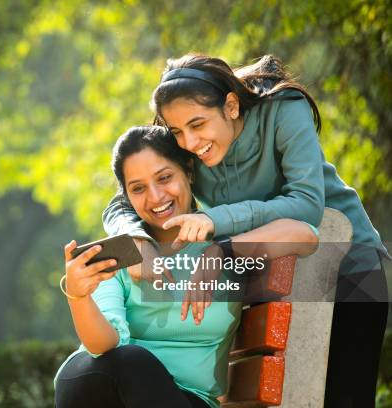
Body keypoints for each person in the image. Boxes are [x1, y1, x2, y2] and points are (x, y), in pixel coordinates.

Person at [103, 54, 389, 407]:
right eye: (178, 131)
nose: (190, 143)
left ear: (232, 106)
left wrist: (218, 230)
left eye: (197, 125)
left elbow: (307, 205)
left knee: (347, 398)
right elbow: (124, 196)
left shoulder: (283, 109)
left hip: (347, 266)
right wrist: (136, 240)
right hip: (268, 276)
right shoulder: (187, 144)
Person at [55, 126, 318, 408]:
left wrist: (219, 252)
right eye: (138, 188)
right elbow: (103, 346)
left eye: (165, 178)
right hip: (103, 386)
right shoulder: (122, 253)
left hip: (186, 399)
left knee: (137, 367)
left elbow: (305, 236)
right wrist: (78, 296)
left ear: (189, 172)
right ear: (127, 197)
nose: (155, 197)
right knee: (131, 360)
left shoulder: (223, 237)